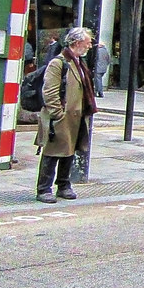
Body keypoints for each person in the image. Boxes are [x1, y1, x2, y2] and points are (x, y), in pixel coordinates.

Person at [34, 26, 97, 204]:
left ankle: (63, 185)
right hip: (61, 117)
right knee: (52, 152)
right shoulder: (59, 63)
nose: (89, 46)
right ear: (77, 43)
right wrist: (57, 113)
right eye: (87, 43)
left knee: (69, 152)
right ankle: (44, 188)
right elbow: (50, 91)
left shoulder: (78, 62)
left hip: (75, 117)